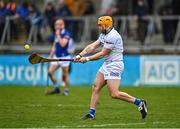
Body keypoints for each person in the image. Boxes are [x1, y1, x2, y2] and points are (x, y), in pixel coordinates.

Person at [74, 16, 148, 120]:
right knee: (95, 87)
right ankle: (91, 114)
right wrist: (79, 55)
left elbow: (102, 54)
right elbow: (92, 46)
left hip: (115, 65)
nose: (99, 27)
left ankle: (139, 102)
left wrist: (86, 59)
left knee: (114, 94)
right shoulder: (104, 34)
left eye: (101, 25)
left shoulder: (113, 36)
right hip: (107, 64)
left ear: (107, 25)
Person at [46, 19, 72, 96]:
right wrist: (50, 55)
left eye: (57, 24)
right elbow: (55, 45)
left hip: (65, 57)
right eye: (55, 24)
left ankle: (66, 90)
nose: (56, 26)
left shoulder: (67, 34)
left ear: (62, 25)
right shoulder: (56, 33)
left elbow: (63, 44)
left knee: (65, 75)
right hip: (56, 56)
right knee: (50, 72)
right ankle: (57, 87)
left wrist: (58, 35)